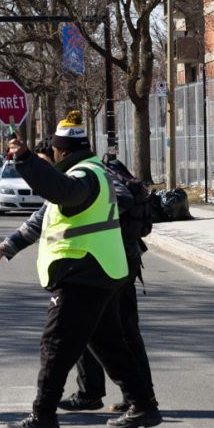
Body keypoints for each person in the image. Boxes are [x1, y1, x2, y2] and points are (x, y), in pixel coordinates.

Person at [0, 110, 161, 428]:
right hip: (98, 270)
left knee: (55, 345)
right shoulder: (95, 172)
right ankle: (142, 404)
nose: (54, 158)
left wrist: (28, 160)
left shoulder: (84, 176)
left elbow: (60, 191)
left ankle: (43, 415)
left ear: (61, 151)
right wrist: (4, 249)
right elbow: (41, 218)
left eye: (54, 153)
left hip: (82, 273)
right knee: (108, 343)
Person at [58, 156, 157, 413]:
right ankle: (101, 392)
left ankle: (138, 396)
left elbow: (123, 198)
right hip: (117, 258)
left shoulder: (93, 174)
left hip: (116, 259)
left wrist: (94, 214)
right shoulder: (87, 173)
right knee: (103, 328)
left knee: (114, 330)